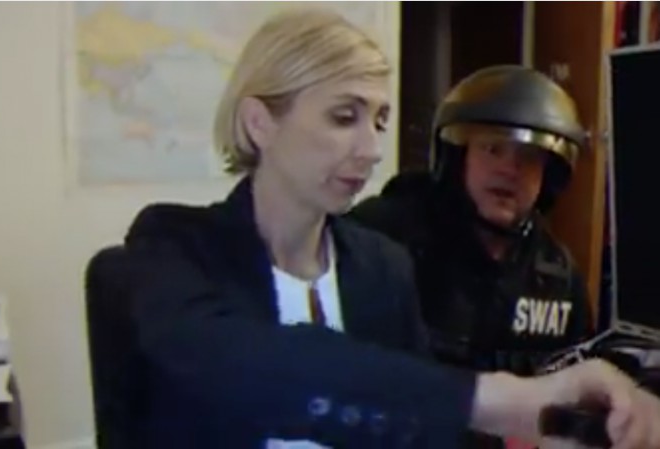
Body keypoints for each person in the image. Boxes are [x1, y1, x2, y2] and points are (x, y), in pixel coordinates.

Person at [109, 10, 660, 449]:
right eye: (344, 117)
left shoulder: (381, 266)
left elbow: (418, 425)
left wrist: (554, 427)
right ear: (260, 123)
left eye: (378, 122)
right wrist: (507, 400)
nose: (372, 150)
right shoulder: (172, 243)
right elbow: (243, 366)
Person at [347, 65, 596, 448]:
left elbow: (573, 401)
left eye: (529, 157)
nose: (509, 169)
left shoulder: (557, 275)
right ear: (457, 156)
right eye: (493, 149)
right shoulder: (384, 237)